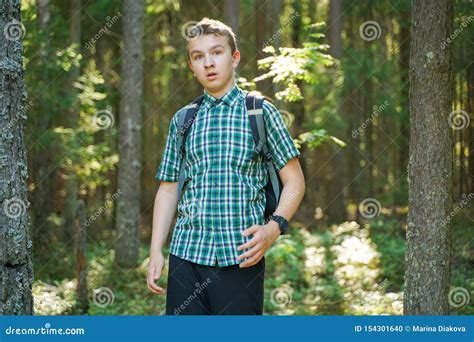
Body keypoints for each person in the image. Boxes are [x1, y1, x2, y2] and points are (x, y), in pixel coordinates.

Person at [146, 17, 305, 315]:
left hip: (241, 257)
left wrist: (274, 228)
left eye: (216, 52)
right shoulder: (183, 120)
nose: (208, 63)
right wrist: (156, 249)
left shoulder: (260, 112)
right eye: (198, 56)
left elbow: (295, 181)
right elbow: (168, 190)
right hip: (186, 257)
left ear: (234, 58)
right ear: (191, 67)